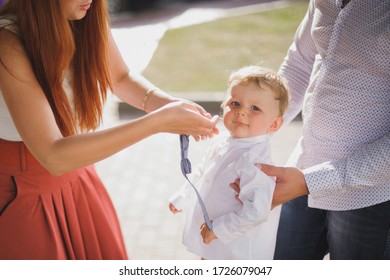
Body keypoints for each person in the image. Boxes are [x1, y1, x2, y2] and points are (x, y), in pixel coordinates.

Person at [0, 0, 219, 260]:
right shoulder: (9, 43)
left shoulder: (85, 15)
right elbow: (53, 155)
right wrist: (159, 122)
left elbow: (120, 77)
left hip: (79, 174)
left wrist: (170, 105)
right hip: (22, 192)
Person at [231, 0, 390, 260]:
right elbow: (300, 63)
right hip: (301, 170)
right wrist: (250, 133)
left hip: (369, 197)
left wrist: (311, 182)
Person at [169, 65, 290, 259]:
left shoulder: (256, 159)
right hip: (211, 235)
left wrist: (219, 230)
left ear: (274, 124)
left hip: (235, 248)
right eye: (235, 104)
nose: (241, 112)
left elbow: (257, 211)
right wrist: (183, 195)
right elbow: (203, 172)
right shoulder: (222, 141)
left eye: (255, 108)